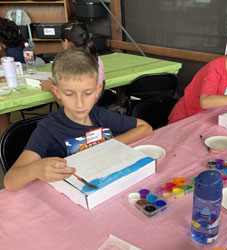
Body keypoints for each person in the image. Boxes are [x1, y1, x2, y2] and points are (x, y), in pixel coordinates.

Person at [3, 48, 153, 191]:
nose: (80, 103)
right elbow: (9, 181)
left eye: (87, 93)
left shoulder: (100, 116)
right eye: (69, 94)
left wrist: (108, 145)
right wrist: (34, 169)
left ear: (97, 90)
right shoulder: (49, 129)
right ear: (57, 92)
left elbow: (145, 128)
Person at [40, 21, 106, 106]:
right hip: (94, 106)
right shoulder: (97, 59)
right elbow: (103, 83)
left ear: (67, 42)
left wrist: (51, 88)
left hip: (79, 113)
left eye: (62, 42)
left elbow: (66, 104)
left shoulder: (71, 66)